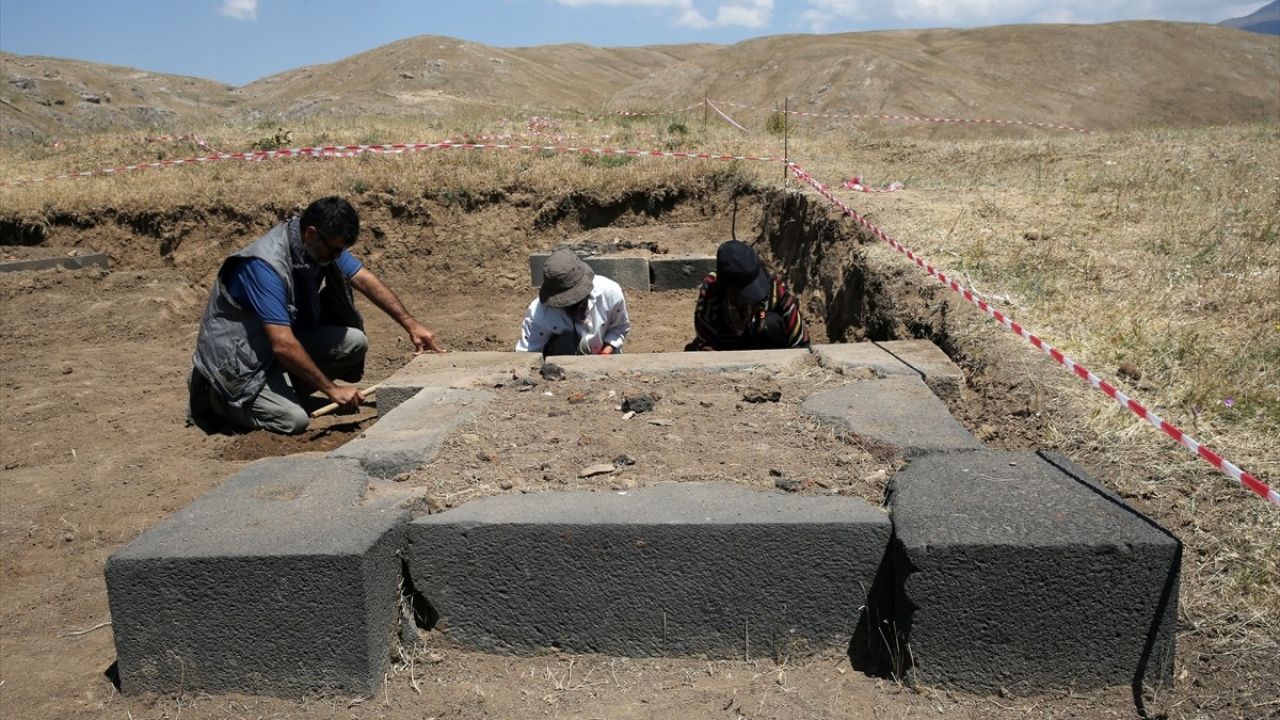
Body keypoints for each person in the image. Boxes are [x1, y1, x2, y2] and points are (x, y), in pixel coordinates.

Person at [187, 196, 443, 435]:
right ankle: (218, 401)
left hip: (270, 348)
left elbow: (363, 279)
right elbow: (283, 344)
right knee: (293, 420)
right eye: (334, 251)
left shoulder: (317, 244)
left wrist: (411, 324)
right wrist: (332, 390)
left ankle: (283, 389)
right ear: (311, 234)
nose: (337, 257)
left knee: (354, 342)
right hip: (237, 362)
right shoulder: (265, 266)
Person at [685, 240, 810, 351]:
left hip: (764, 347)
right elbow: (706, 346)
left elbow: (800, 340)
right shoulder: (711, 295)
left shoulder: (772, 286)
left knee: (772, 324)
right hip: (727, 351)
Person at [516, 249, 630, 356]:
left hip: (605, 360)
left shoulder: (610, 292)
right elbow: (526, 354)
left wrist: (606, 351)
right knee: (567, 341)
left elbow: (619, 328)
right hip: (560, 367)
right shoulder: (539, 313)